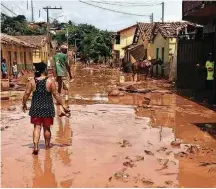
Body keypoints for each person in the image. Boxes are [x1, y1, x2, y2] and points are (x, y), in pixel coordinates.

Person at [22, 62, 70, 155]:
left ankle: (35, 147)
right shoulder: (50, 81)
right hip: (47, 108)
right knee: (47, 128)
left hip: (36, 108)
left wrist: (24, 104)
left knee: (37, 127)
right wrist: (64, 105)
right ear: (44, 70)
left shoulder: (32, 81)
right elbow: (56, 94)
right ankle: (47, 146)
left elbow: (26, 94)